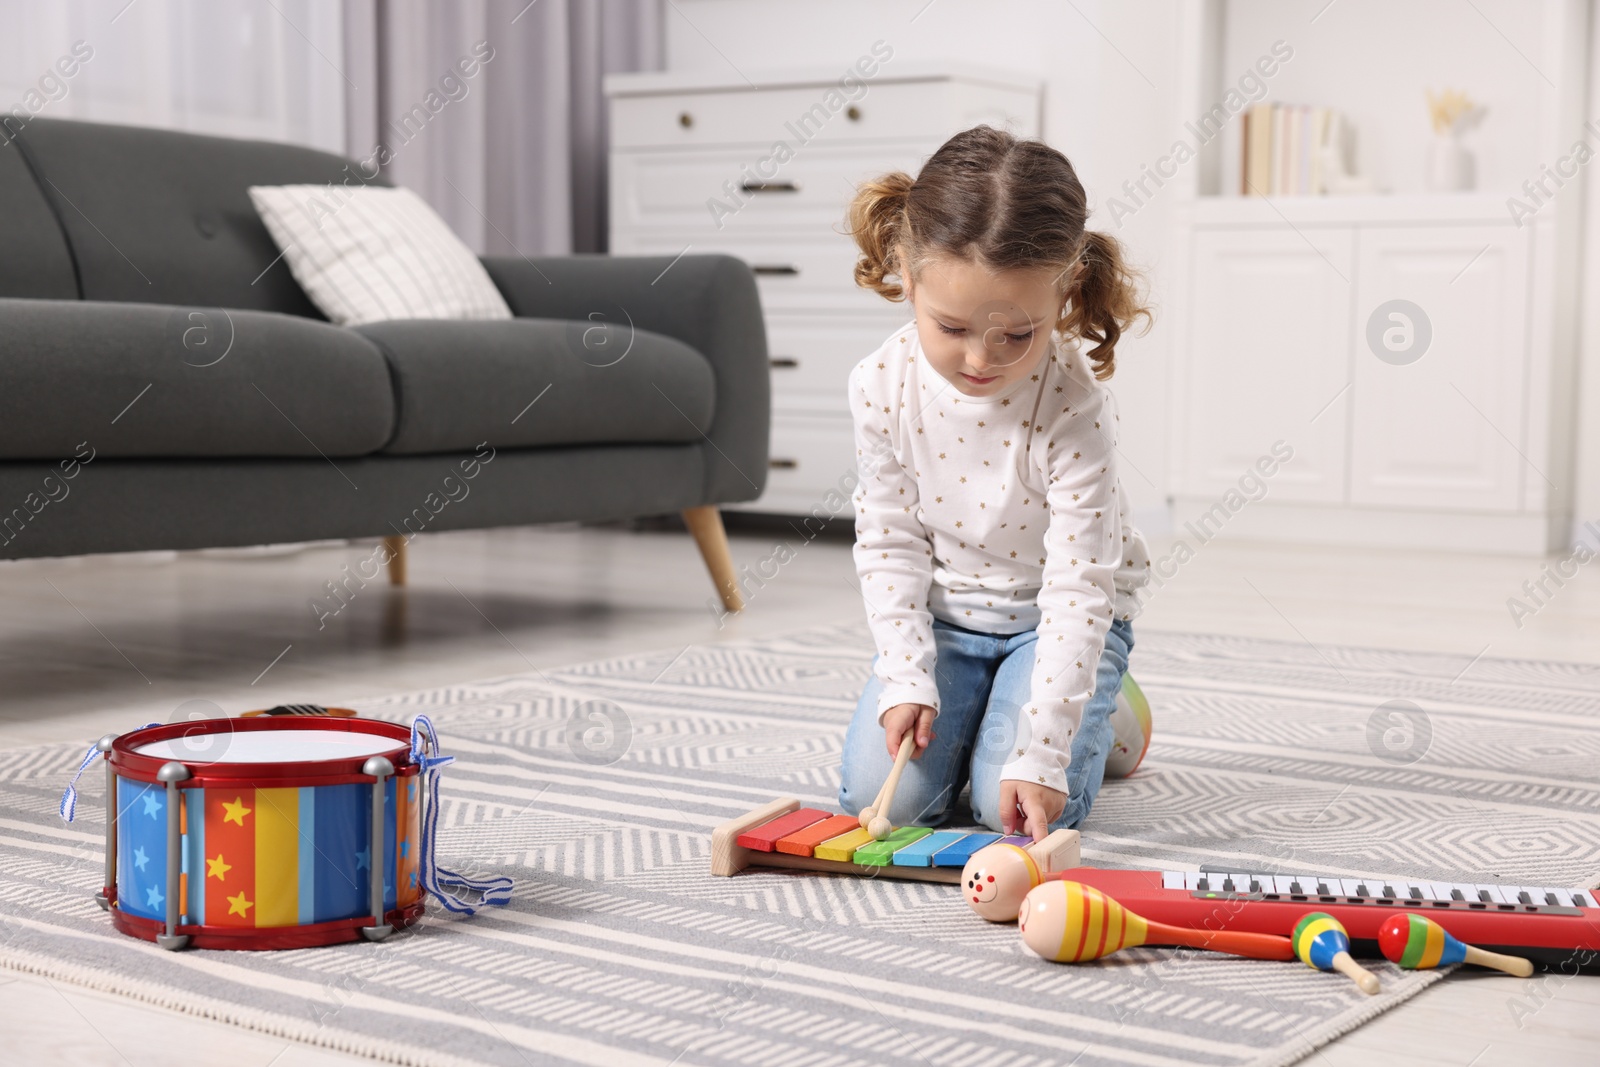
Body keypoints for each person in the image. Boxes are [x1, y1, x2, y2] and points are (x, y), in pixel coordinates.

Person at [838, 125, 1153, 842]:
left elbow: (1078, 587)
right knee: (885, 798)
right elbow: (888, 543)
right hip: (950, 616)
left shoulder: (1071, 405)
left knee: (1007, 809)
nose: (981, 358)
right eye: (950, 325)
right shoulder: (880, 385)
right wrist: (907, 676)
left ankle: (1106, 706)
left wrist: (1043, 752)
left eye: (1017, 334)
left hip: (1055, 621)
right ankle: (983, 705)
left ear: (1064, 292)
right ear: (906, 274)